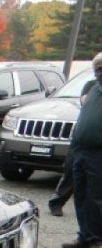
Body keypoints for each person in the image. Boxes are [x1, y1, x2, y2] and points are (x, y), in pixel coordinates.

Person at [62, 53, 102, 248]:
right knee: (81, 196)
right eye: (98, 69)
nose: (100, 73)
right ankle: (84, 236)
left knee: (97, 199)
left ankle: (97, 241)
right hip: (81, 152)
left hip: (99, 154)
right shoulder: (94, 88)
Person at [48, 78, 96, 216]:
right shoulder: (91, 84)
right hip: (84, 136)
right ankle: (56, 201)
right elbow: (84, 101)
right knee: (72, 169)